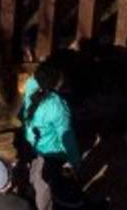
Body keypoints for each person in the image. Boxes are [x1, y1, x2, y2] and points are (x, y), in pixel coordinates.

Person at [21, 62, 81, 210]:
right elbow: (67, 137)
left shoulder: (30, 85)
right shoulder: (57, 106)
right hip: (51, 154)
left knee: (35, 175)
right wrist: (74, 162)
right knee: (45, 187)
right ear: (53, 83)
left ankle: (31, 192)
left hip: (33, 145)